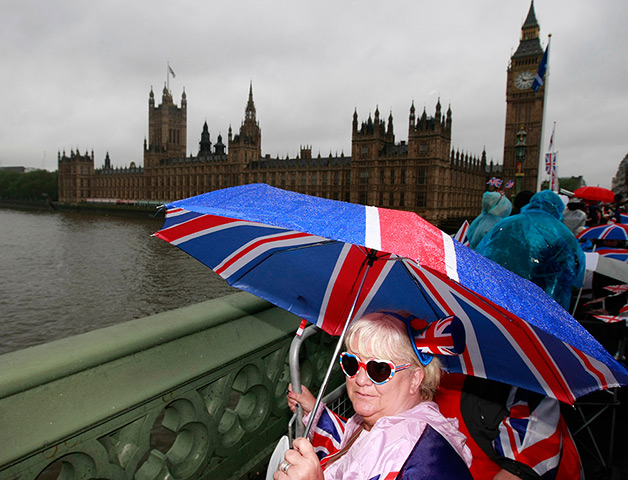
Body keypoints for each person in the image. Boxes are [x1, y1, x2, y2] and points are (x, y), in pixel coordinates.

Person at [274, 312, 472, 479]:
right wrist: (315, 410)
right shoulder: (386, 420)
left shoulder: (416, 458)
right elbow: (351, 449)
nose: (360, 380)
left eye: (379, 369)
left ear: (415, 379)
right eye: (352, 363)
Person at [476, 190, 585, 310]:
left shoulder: (507, 223)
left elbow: (484, 251)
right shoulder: (563, 233)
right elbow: (573, 271)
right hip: (541, 297)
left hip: (500, 288)